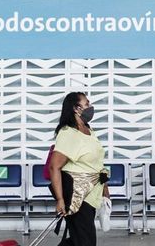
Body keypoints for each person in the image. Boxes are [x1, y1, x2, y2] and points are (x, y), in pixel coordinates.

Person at [49, 92, 109, 246]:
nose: (90, 106)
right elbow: (54, 167)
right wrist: (60, 200)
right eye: (87, 103)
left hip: (92, 194)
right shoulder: (68, 133)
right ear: (76, 108)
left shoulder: (88, 130)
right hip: (77, 195)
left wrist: (105, 191)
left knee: (80, 240)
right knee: (85, 241)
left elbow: (97, 164)